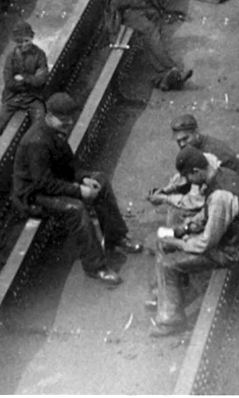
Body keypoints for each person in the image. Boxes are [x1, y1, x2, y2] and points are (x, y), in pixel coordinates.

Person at [10, 91, 141, 285]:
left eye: (70, 119)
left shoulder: (55, 132)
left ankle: (116, 236)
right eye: (64, 120)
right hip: (33, 195)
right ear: (49, 116)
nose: (69, 123)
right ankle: (96, 267)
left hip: (51, 183)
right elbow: (43, 183)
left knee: (100, 180)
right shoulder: (36, 142)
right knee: (75, 209)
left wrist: (84, 178)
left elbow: (70, 166)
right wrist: (79, 191)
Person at [149, 146, 239, 336]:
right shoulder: (222, 173)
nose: (188, 182)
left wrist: (178, 243)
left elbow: (206, 243)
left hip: (229, 250)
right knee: (164, 240)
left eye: (189, 177)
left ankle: (171, 320)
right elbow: (207, 212)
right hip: (224, 237)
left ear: (196, 171)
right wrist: (186, 228)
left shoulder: (221, 196)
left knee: (167, 264)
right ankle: (170, 294)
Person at [0, 20, 51, 135]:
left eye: (27, 40)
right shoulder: (11, 57)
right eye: (21, 42)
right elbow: (9, 82)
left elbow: (41, 79)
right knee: (0, 124)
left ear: (31, 38)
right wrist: (30, 81)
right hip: (13, 97)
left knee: (41, 125)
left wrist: (24, 78)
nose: (24, 44)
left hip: (33, 97)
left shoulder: (39, 55)